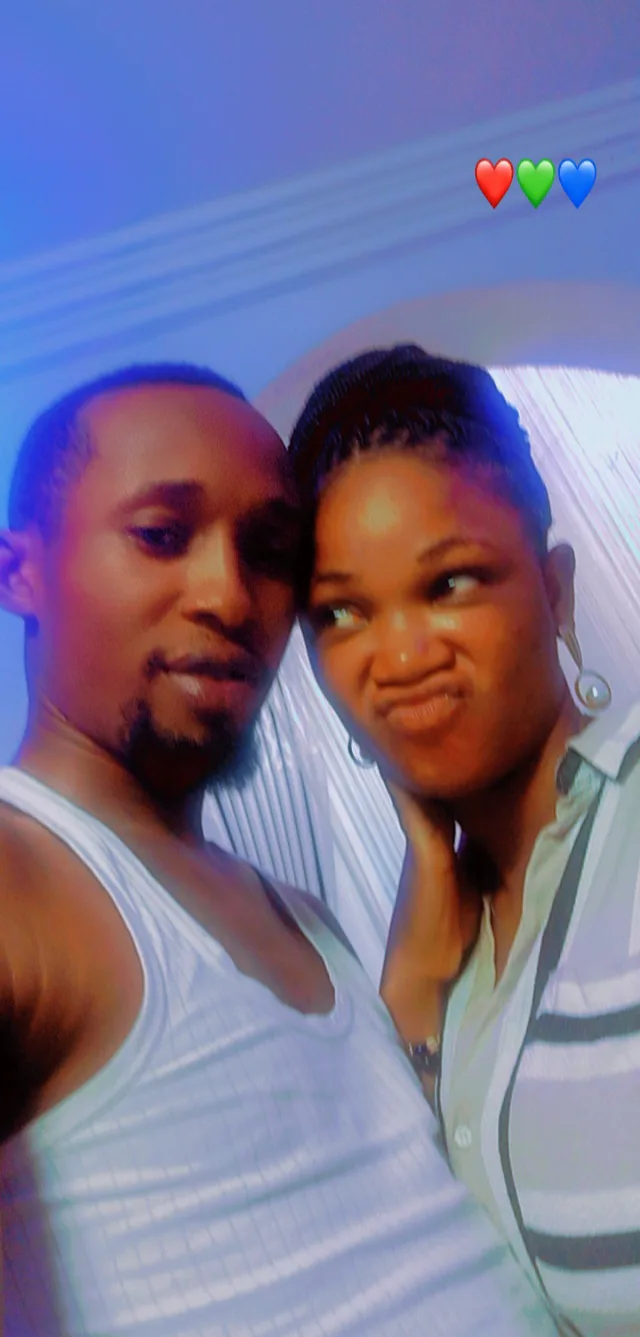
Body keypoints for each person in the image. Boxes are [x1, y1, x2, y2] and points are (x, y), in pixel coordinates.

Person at [0, 363, 555, 1337]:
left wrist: (427, 901)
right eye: (161, 534)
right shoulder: (21, 878)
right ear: (21, 572)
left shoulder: (298, 912)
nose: (230, 594)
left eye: (268, 552)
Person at [287, 342, 640, 1337]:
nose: (399, 656)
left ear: (555, 590)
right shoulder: (441, 940)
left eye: (450, 582)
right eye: (341, 612)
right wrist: (413, 958)